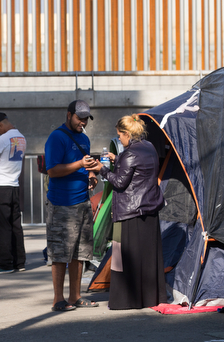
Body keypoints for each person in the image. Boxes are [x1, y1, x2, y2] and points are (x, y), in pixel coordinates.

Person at [88, 114, 166, 309]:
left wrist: (102, 169)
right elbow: (138, 170)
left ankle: (125, 300)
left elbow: (120, 182)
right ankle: (150, 298)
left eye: (120, 136)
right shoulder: (149, 147)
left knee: (123, 258)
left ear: (127, 134)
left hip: (129, 211)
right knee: (148, 258)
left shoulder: (129, 153)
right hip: (150, 209)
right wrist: (118, 158)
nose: (119, 140)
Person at [44, 100, 100, 312]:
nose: (83, 122)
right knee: (60, 254)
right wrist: (80, 165)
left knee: (80, 253)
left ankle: (75, 296)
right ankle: (58, 299)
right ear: (69, 115)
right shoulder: (57, 137)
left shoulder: (84, 138)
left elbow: (86, 166)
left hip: (83, 201)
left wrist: (91, 174)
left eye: (86, 118)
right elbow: (53, 170)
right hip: (62, 204)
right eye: (79, 118)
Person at [0, 112, 27, 274]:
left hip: (1, 186)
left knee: (2, 226)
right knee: (16, 225)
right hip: (14, 185)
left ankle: (4, 263)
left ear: (0, 125)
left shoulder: (2, 139)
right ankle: (19, 261)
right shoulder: (22, 138)